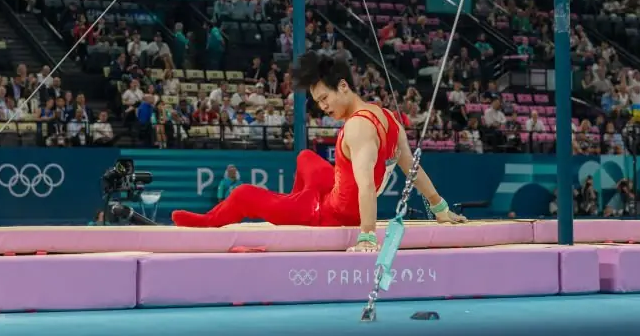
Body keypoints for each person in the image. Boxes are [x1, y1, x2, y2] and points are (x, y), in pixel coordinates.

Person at [172, 52, 465, 251]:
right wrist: (440, 209)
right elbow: (412, 169)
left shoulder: (358, 128)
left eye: (325, 98)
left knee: (242, 195)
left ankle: (208, 221)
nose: (323, 107)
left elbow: (365, 186)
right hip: (334, 189)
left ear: (343, 87)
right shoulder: (387, 117)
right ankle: (296, 200)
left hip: (329, 213)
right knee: (305, 157)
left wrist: (366, 235)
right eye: (318, 102)